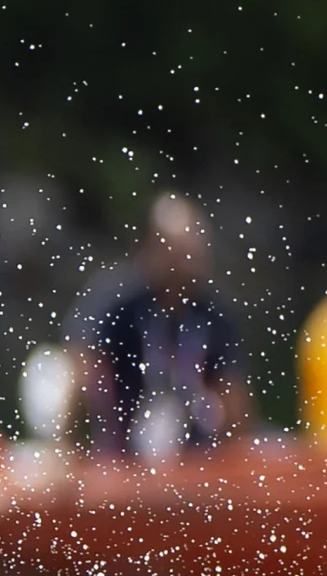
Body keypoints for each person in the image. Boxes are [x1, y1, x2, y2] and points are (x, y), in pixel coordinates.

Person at [72, 195, 253, 459]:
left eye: (194, 254)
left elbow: (234, 398)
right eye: (177, 254)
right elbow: (82, 370)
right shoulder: (116, 303)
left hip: (192, 447)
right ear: (151, 249)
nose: (186, 266)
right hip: (119, 444)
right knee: (62, 375)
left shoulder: (214, 314)